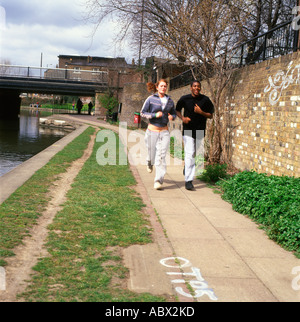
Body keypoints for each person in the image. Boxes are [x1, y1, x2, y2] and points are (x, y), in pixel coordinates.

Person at [176, 80, 214, 190]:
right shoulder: (184, 98)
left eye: (198, 87)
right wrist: (182, 118)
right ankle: (189, 180)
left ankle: (186, 167)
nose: (196, 88)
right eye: (194, 86)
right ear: (191, 87)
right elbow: (177, 110)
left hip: (200, 130)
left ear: (200, 88)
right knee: (190, 153)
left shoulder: (205, 100)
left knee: (194, 154)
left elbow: (211, 115)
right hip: (188, 130)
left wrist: (201, 112)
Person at [141, 79, 177, 190]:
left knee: (161, 156)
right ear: (157, 87)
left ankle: (158, 180)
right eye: (161, 86)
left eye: (165, 86)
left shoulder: (170, 101)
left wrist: (172, 117)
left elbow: (174, 113)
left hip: (164, 132)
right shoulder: (151, 99)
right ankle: (149, 162)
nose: (163, 88)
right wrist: (155, 115)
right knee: (152, 153)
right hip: (152, 131)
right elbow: (142, 113)